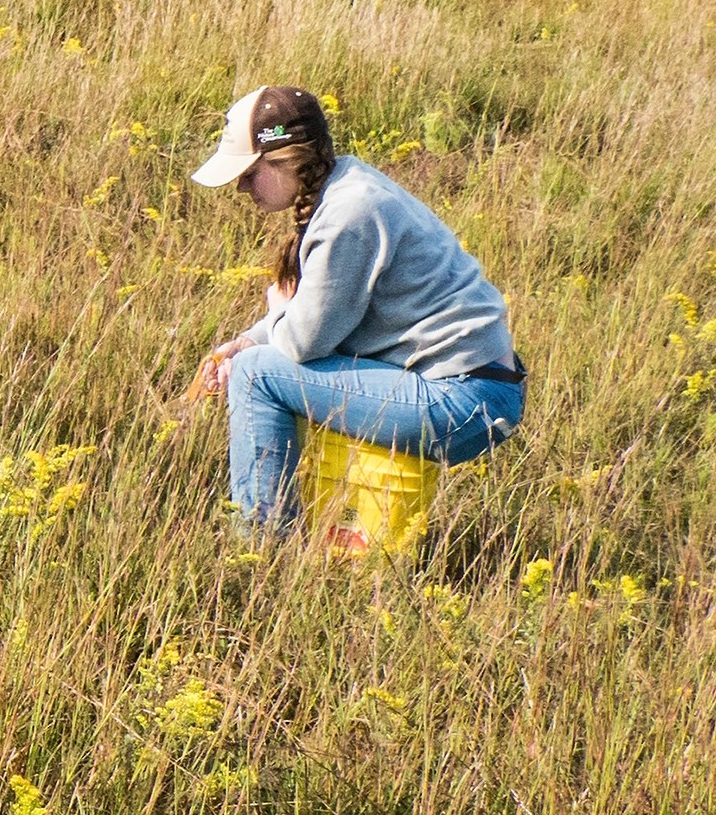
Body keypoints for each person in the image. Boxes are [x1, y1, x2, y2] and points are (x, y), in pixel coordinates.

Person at [188, 85, 526, 529]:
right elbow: (312, 314)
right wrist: (247, 339)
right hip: (476, 389)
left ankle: (260, 545)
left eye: (250, 173)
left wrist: (269, 325)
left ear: (287, 160)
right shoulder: (346, 186)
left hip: (464, 402)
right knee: (253, 358)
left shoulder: (350, 213)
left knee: (255, 374)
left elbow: (303, 342)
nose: (240, 187)